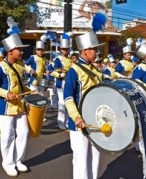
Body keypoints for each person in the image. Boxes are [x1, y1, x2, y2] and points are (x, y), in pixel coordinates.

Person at [0, 30, 32, 177]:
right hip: (5, 107)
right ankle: (8, 163)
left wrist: (31, 91)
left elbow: (20, 86)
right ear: (10, 51)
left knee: (23, 133)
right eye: (19, 49)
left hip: (19, 105)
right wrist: (7, 93)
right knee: (7, 135)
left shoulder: (20, 65)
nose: (21, 52)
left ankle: (18, 160)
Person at [63, 30, 104, 179]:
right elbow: (68, 97)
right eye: (95, 49)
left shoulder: (96, 71)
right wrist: (77, 118)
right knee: (80, 159)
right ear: (85, 51)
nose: (97, 52)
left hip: (95, 120)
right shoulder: (74, 70)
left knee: (95, 156)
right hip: (80, 122)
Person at [51, 34, 73, 130]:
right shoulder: (58, 59)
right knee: (61, 103)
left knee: (68, 102)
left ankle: (67, 121)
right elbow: (53, 71)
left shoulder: (70, 59)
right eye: (63, 49)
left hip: (68, 83)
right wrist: (60, 75)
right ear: (60, 50)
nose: (65, 51)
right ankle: (60, 122)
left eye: (67, 49)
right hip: (61, 83)